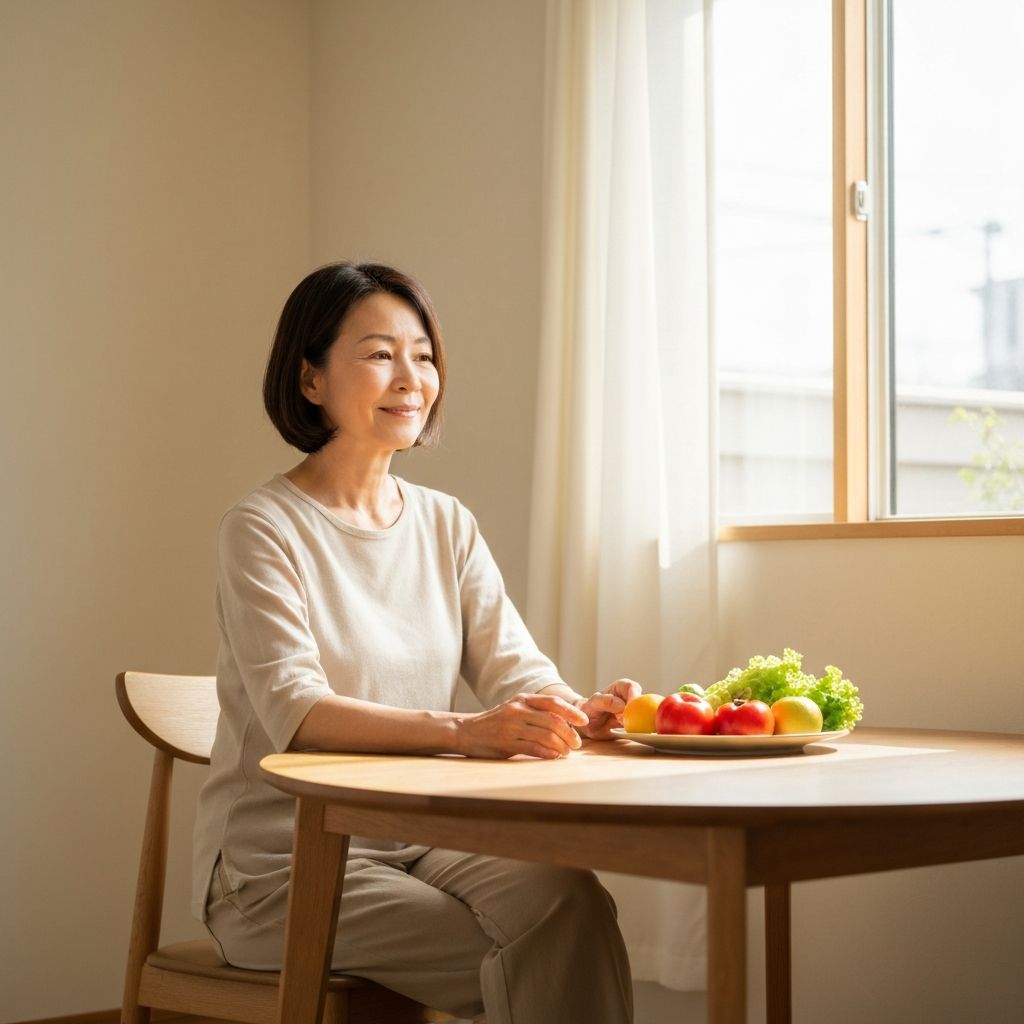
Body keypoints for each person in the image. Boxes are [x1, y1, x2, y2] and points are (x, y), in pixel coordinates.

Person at [192, 261, 638, 1024]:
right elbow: (297, 711)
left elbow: (515, 670)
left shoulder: (445, 522)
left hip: (420, 839)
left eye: (423, 355)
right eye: (378, 354)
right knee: (532, 952)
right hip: (282, 865)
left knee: (570, 901)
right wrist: (469, 733)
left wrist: (576, 713)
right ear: (310, 381)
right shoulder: (262, 528)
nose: (411, 378)